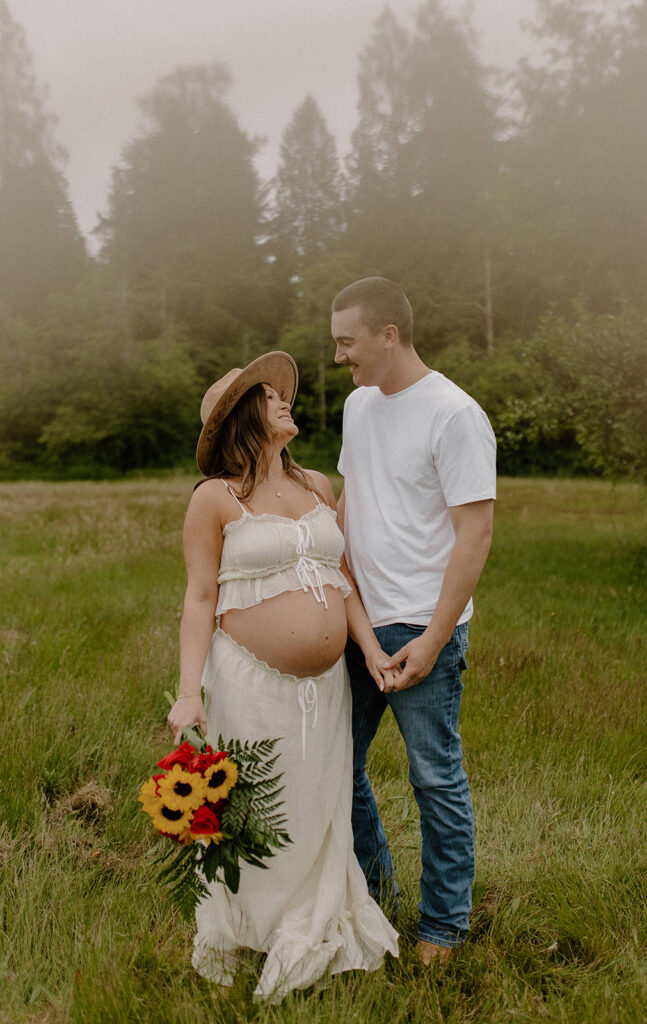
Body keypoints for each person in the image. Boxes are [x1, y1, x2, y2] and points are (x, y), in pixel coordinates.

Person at [167, 351, 398, 1002]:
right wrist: (189, 693)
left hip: (324, 689)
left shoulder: (317, 486)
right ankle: (247, 926)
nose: (284, 401)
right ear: (243, 415)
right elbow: (198, 598)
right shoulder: (215, 498)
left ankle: (306, 920)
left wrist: (374, 652)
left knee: (314, 802)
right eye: (268, 397)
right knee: (251, 806)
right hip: (247, 681)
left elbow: (341, 582)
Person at [331, 277, 496, 965]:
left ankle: (441, 929)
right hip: (360, 628)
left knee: (434, 778)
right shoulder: (356, 406)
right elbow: (350, 503)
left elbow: (475, 533)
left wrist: (432, 639)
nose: (339, 355)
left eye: (347, 341)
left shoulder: (454, 414)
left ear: (388, 335)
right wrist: (352, 621)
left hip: (423, 629)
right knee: (335, 771)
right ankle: (372, 899)